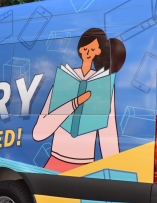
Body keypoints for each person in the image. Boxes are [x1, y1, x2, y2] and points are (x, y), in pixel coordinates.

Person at [32, 28, 126, 172]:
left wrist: (116, 170)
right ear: (80, 49)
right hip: (56, 160)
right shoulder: (65, 78)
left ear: (99, 52)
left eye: (93, 49)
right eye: (85, 47)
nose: (88, 52)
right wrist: (73, 104)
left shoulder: (103, 84)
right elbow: (39, 133)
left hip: (86, 165)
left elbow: (108, 133)